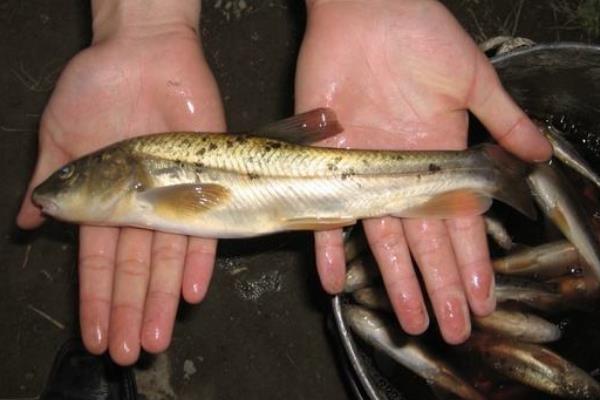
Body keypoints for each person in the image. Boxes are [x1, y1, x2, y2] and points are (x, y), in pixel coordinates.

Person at [17, 0, 552, 366]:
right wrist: (139, 25)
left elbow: (207, 198)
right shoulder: (136, 173)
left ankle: (477, 169)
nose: (53, 191)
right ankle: (473, 170)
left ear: (114, 173)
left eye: (68, 178)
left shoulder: (142, 172)